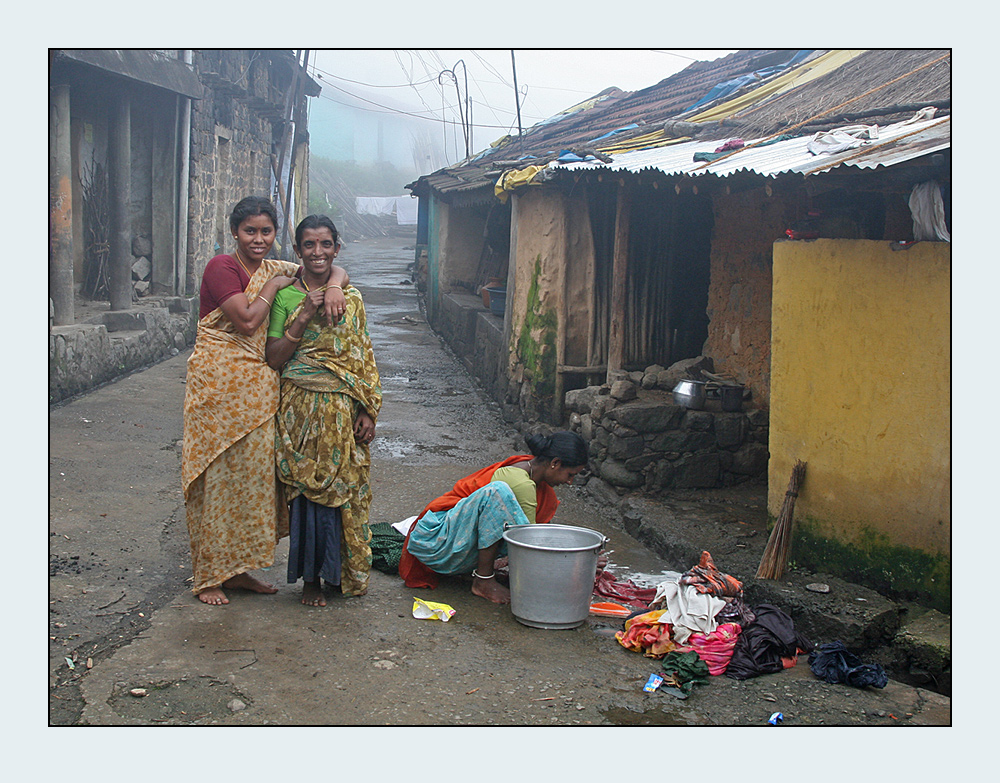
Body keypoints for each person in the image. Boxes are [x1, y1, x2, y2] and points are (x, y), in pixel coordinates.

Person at [182, 196, 350, 606]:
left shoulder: (278, 266)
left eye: (266, 232)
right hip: (218, 388)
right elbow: (247, 320)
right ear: (235, 233)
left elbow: (329, 268)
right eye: (249, 231)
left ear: (276, 235)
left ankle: (237, 570)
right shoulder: (222, 267)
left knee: (251, 482)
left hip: (259, 389)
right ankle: (208, 576)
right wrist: (275, 287)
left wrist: (331, 286)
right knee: (216, 478)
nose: (258, 239)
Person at [265, 215, 382, 607]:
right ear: (297, 251)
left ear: (337, 247)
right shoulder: (285, 297)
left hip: (342, 409)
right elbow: (275, 357)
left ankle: (339, 573)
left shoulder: (352, 299)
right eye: (309, 245)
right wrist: (303, 314)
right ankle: (310, 580)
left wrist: (367, 410)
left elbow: (363, 357)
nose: (318, 252)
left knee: (343, 491)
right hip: (298, 407)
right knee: (305, 494)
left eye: (326, 244)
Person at [399, 431, 589, 604]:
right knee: (497, 493)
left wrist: (583, 559)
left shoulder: (533, 476)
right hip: (434, 544)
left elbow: (536, 536)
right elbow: (531, 544)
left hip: (452, 544)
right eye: (570, 474)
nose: (570, 482)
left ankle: (480, 573)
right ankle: (483, 581)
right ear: (555, 463)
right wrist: (572, 568)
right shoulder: (521, 483)